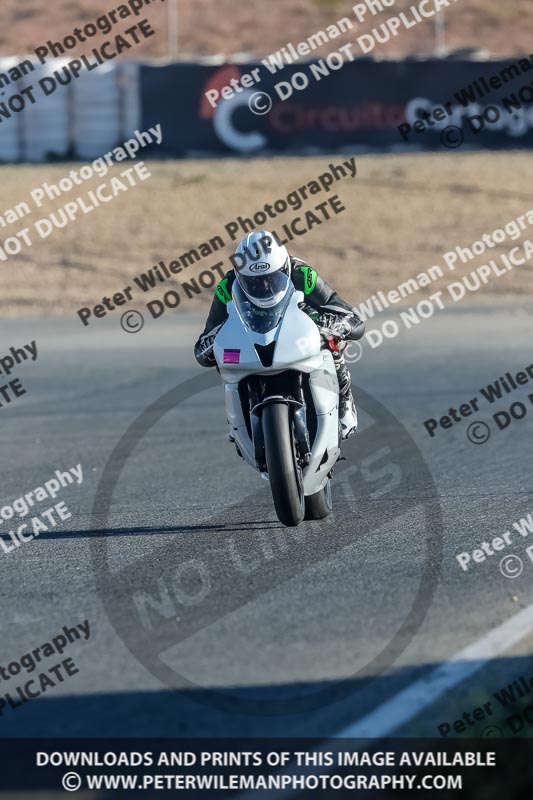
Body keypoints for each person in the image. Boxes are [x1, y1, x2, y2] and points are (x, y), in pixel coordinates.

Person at [194, 230, 365, 438]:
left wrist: (334, 323)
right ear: (240, 276)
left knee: (332, 339)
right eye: (253, 282)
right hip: (252, 341)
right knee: (225, 355)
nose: (264, 286)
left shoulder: (303, 273)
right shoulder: (226, 286)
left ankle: (344, 401)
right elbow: (204, 344)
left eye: (272, 278)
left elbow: (348, 315)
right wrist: (217, 340)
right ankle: (237, 419)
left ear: (285, 268)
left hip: (297, 333)